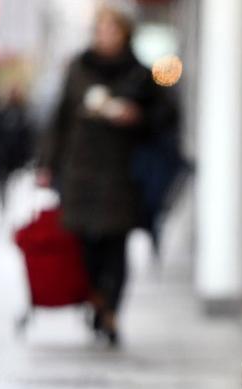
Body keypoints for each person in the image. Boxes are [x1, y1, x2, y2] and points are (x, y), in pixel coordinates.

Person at [41, 7, 161, 347]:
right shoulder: (78, 68)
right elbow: (60, 117)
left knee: (116, 244)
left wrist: (134, 117)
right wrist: (48, 163)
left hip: (120, 172)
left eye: (112, 31)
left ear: (125, 35)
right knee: (84, 243)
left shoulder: (140, 74)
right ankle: (95, 296)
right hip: (79, 170)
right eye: (101, 30)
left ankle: (110, 310)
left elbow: (161, 119)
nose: (105, 37)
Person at [0, 87, 34, 212]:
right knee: (1, 187)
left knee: (12, 190)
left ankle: (6, 210)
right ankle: (2, 210)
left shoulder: (24, 116)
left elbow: (27, 140)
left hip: (14, 161)